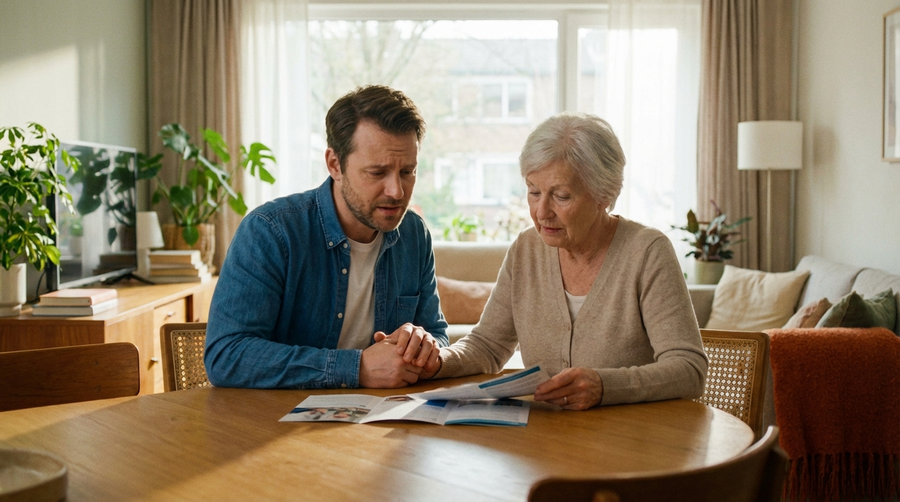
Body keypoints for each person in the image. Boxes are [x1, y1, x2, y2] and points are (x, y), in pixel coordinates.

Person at [384, 112, 708, 409]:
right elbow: (487, 345)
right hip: (545, 439)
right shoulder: (526, 249)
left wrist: (606, 386)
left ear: (604, 195)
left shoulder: (647, 251)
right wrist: (437, 361)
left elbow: (688, 369)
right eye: (533, 192)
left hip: (632, 441)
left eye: (561, 196)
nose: (541, 212)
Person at [205, 85, 447, 390]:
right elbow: (227, 356)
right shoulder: (271, 231)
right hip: (277, 425)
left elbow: (437, 334)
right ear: (335, 164)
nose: (396, 191)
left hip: (383, 424)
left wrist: (423, 347)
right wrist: (355, 368)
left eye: (407, 172)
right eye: (377, 172)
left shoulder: (414, 234)